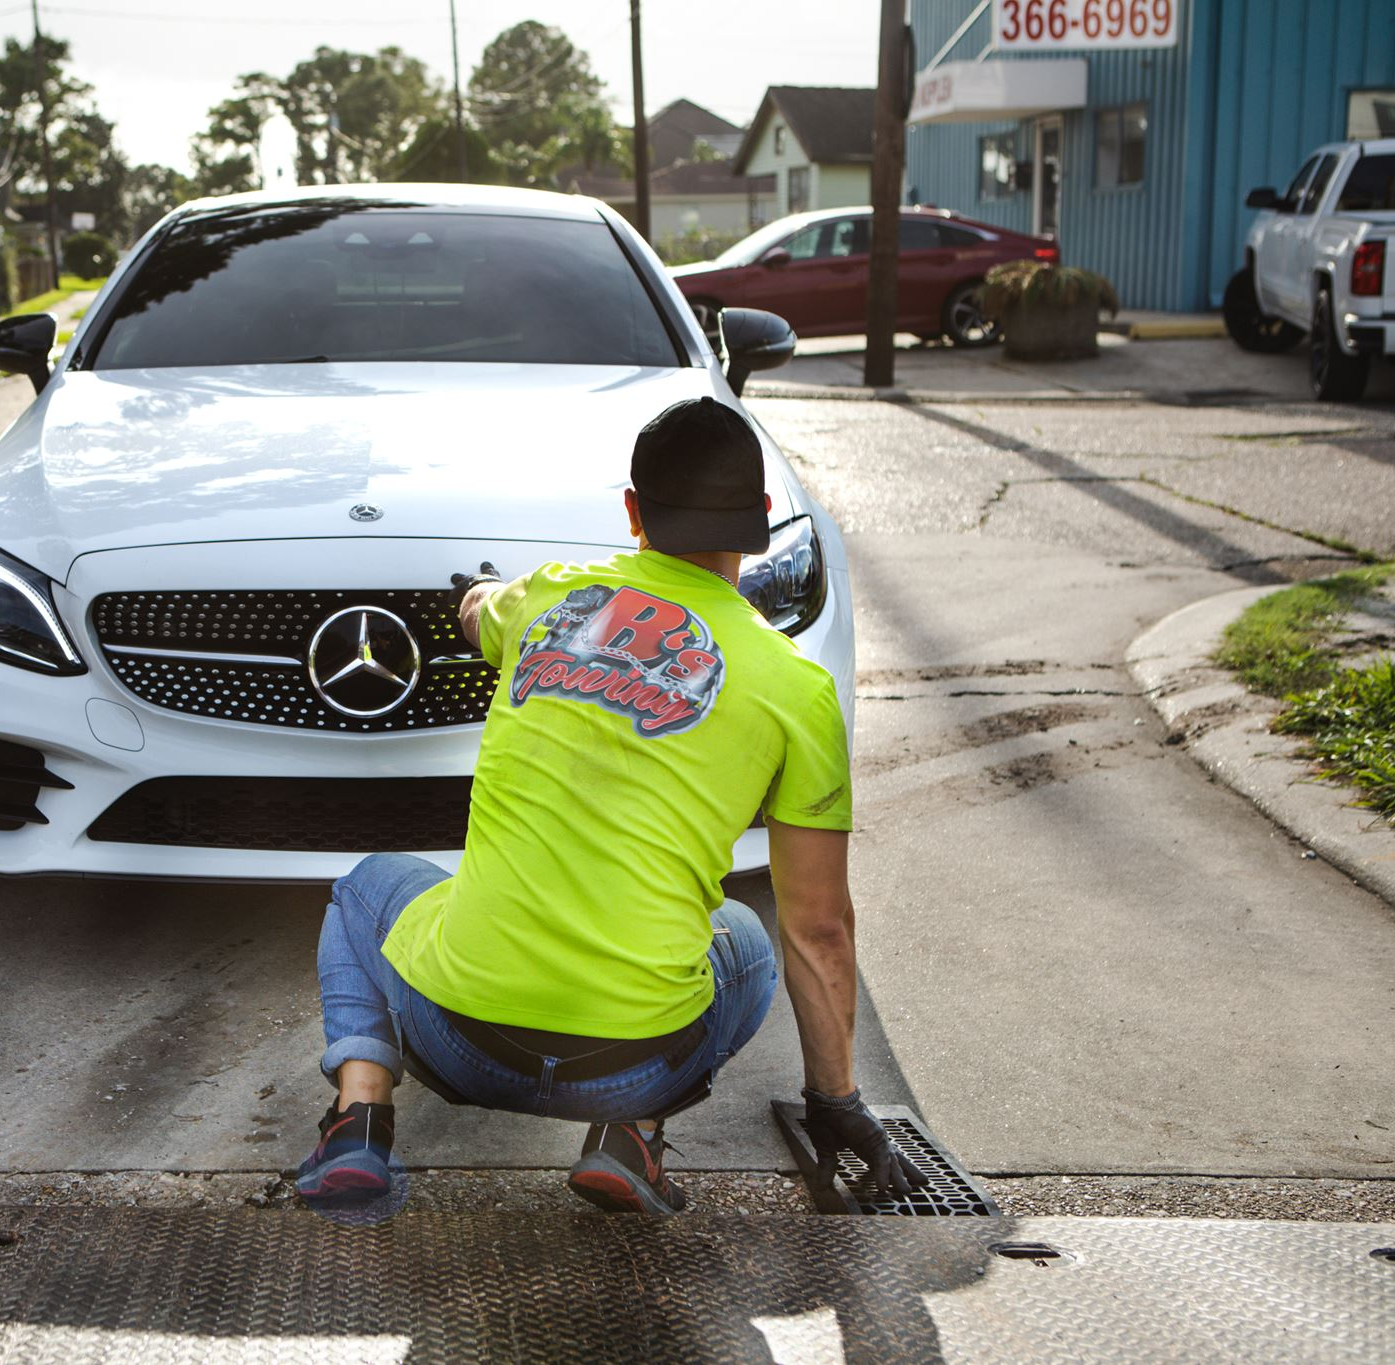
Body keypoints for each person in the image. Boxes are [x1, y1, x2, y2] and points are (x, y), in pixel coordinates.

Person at [295, 395, 924, 1214]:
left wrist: (481, 592)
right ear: (760, 519)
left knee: (364, 887)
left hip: (460, 1043)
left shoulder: (556, 597)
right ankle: (630, 1132)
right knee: (746, 940)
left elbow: (483, 609)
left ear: (632, 511)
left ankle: (360, 1120)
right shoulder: (798, 689)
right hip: (638, 1058)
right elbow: (820, 926)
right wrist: (836, 1100)